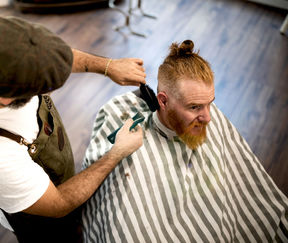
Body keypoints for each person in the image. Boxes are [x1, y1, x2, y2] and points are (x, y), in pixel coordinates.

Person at [0, 15, 145, 242]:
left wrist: (108, 66)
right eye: (43, 88)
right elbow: (59, 204)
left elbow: (47, 56)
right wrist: (116, 152)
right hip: (43, 221)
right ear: (7, 99)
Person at [82, 40, 288, 242]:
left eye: (209, 104)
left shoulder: (209, 116)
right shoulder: (130, 134)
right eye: (194, 107)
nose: (207, 117)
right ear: (162, 100)